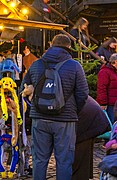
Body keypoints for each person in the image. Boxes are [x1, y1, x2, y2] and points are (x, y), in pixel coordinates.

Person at [24, 34, 90, 180]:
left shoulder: (36, 64)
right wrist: (72, 110)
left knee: (39, 159)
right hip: (65, 120)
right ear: (68, 47)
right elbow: (83, 93)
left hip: (39, 118)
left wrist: (34, 106)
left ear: (51, 46)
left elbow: (24, 88)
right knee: (64, 160)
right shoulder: (74, 66)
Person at [72, 96, 111, 180]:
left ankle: (79, 177)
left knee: (80, 154)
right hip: (88, 113)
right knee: (82, 153)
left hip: (88, 116)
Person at [96, 53, 117, 122]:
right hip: (110, 104)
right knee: (112, 123)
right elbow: (101, 88)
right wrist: (103, 103)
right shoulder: (105, 72)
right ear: (115, 61)